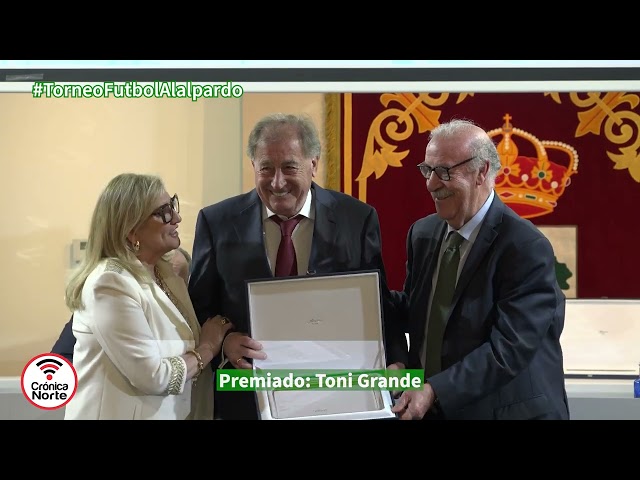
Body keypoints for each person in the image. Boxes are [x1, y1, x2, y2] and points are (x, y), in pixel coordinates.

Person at [189, 112, 408, 420]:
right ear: (253, 166)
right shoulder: (217, 222)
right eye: (266, 168)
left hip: (336, 395)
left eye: (289, 167)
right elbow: (198, 306)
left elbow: (379, 303)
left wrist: (397, 362)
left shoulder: (356, 219)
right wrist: (224, 343)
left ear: (313, 164)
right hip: (246, 399)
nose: (277, 182)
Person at [389, 119, 570, 420]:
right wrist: (360, 300)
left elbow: (509, 348)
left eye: (444, 171)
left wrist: (435, 389)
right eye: (427, 170)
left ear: (482, 172)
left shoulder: (525, 246)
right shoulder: (422, 233)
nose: (431, 184)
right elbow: (421, 312)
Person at [63, 173, 233, 420]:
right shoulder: (110, 283)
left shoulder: (167, 273)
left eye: (171, 205)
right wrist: (207, 348)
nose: (177, 218)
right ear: (131, 231)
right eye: (163, 212)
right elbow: (154, 377)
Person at [51, 247, 193, 364]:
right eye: (160, 277)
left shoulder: (197, 321)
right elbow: (60, 363)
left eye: (176, 279)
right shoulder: (110, 302)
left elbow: (214, 380)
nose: (165, 286)